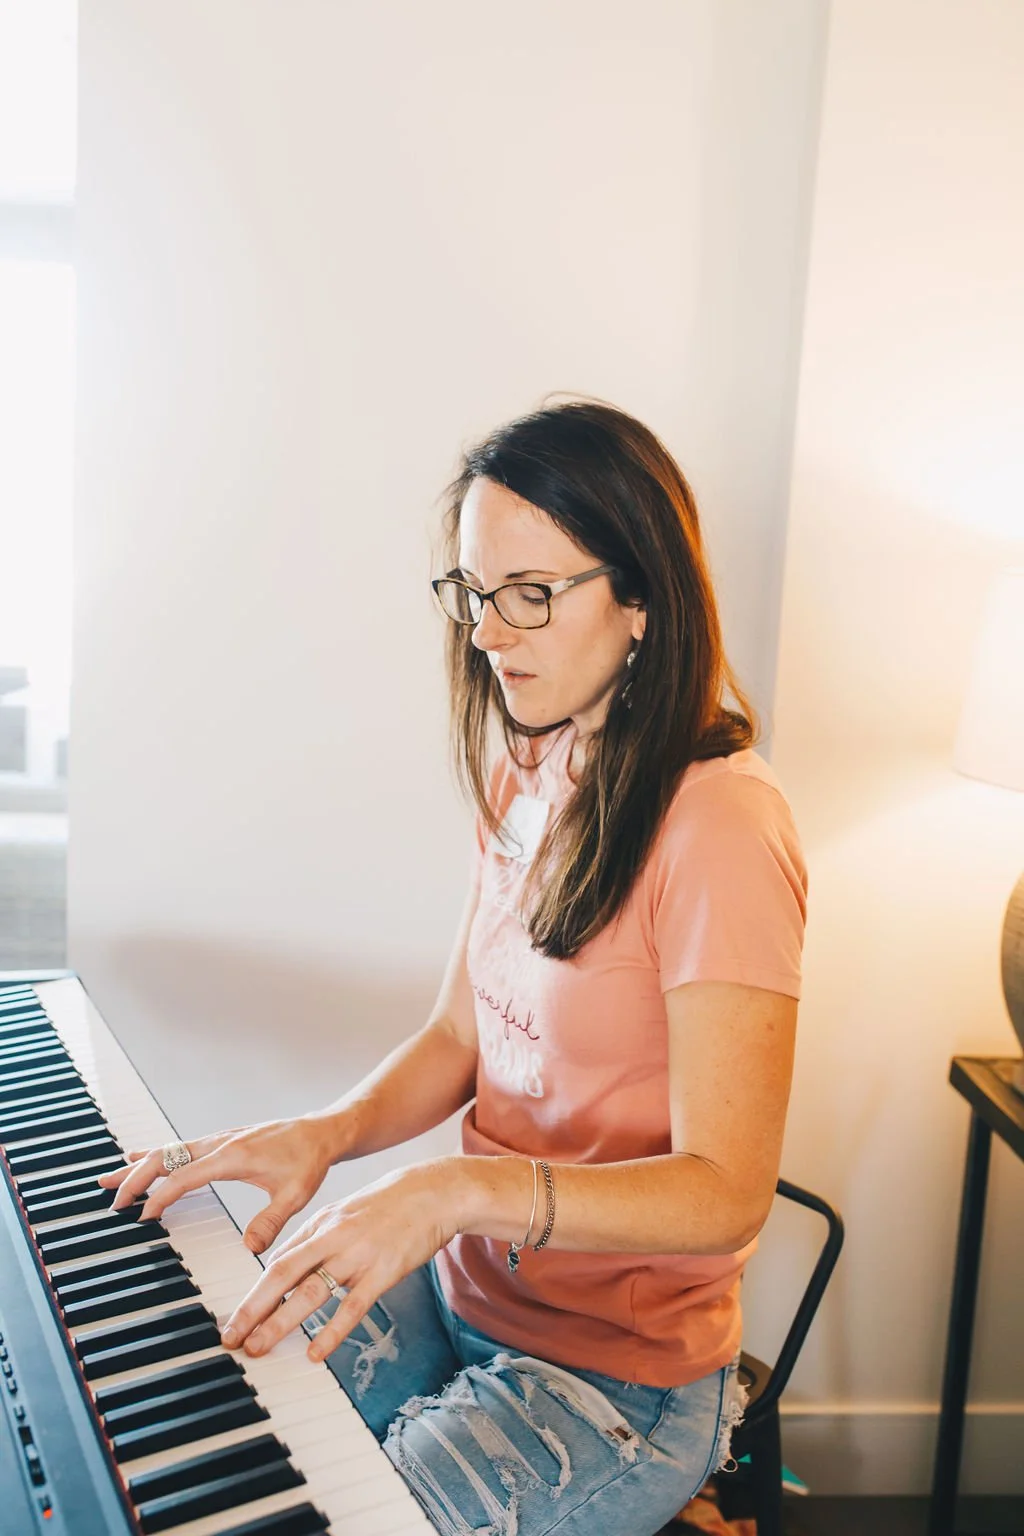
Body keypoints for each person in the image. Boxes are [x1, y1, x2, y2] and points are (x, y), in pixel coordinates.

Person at [100, 398, 808, 1536]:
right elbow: (456, 1039)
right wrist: (323, 1133)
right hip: (464, 1294)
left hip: (613, 1378)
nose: (488, 632)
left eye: (531, 594)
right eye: (476, 594)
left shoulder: (722, 827)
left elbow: (726, 1190)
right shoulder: (528, 765)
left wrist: (449, 1189)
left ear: (641, 598)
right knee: (203, 1413)